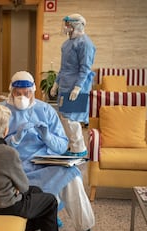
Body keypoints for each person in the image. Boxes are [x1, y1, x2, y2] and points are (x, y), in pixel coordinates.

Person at [2, 71, 107, 231]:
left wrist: (46, 135)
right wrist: (14, 139)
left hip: (44, 163)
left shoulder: (45, 110)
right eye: (18, 93)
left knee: (73, 175)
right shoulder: (3, 112)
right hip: (18, 168)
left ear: (33, 91)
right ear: (12, 91)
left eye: (27, 93)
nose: (23, 97)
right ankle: (49, 212)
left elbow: (61, 145)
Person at [50, 13, 96, 157]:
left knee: (72, 119)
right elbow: (63, 67)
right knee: (64, 117)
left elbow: (85, 68)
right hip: (65, 84)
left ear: (76, 25)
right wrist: (56, 84)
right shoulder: (67, 44)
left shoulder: (85, 44)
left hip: (77, 86)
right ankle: (72, 146)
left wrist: (78, 87)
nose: (65, 27)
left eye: (68, 24)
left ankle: (79, 148)